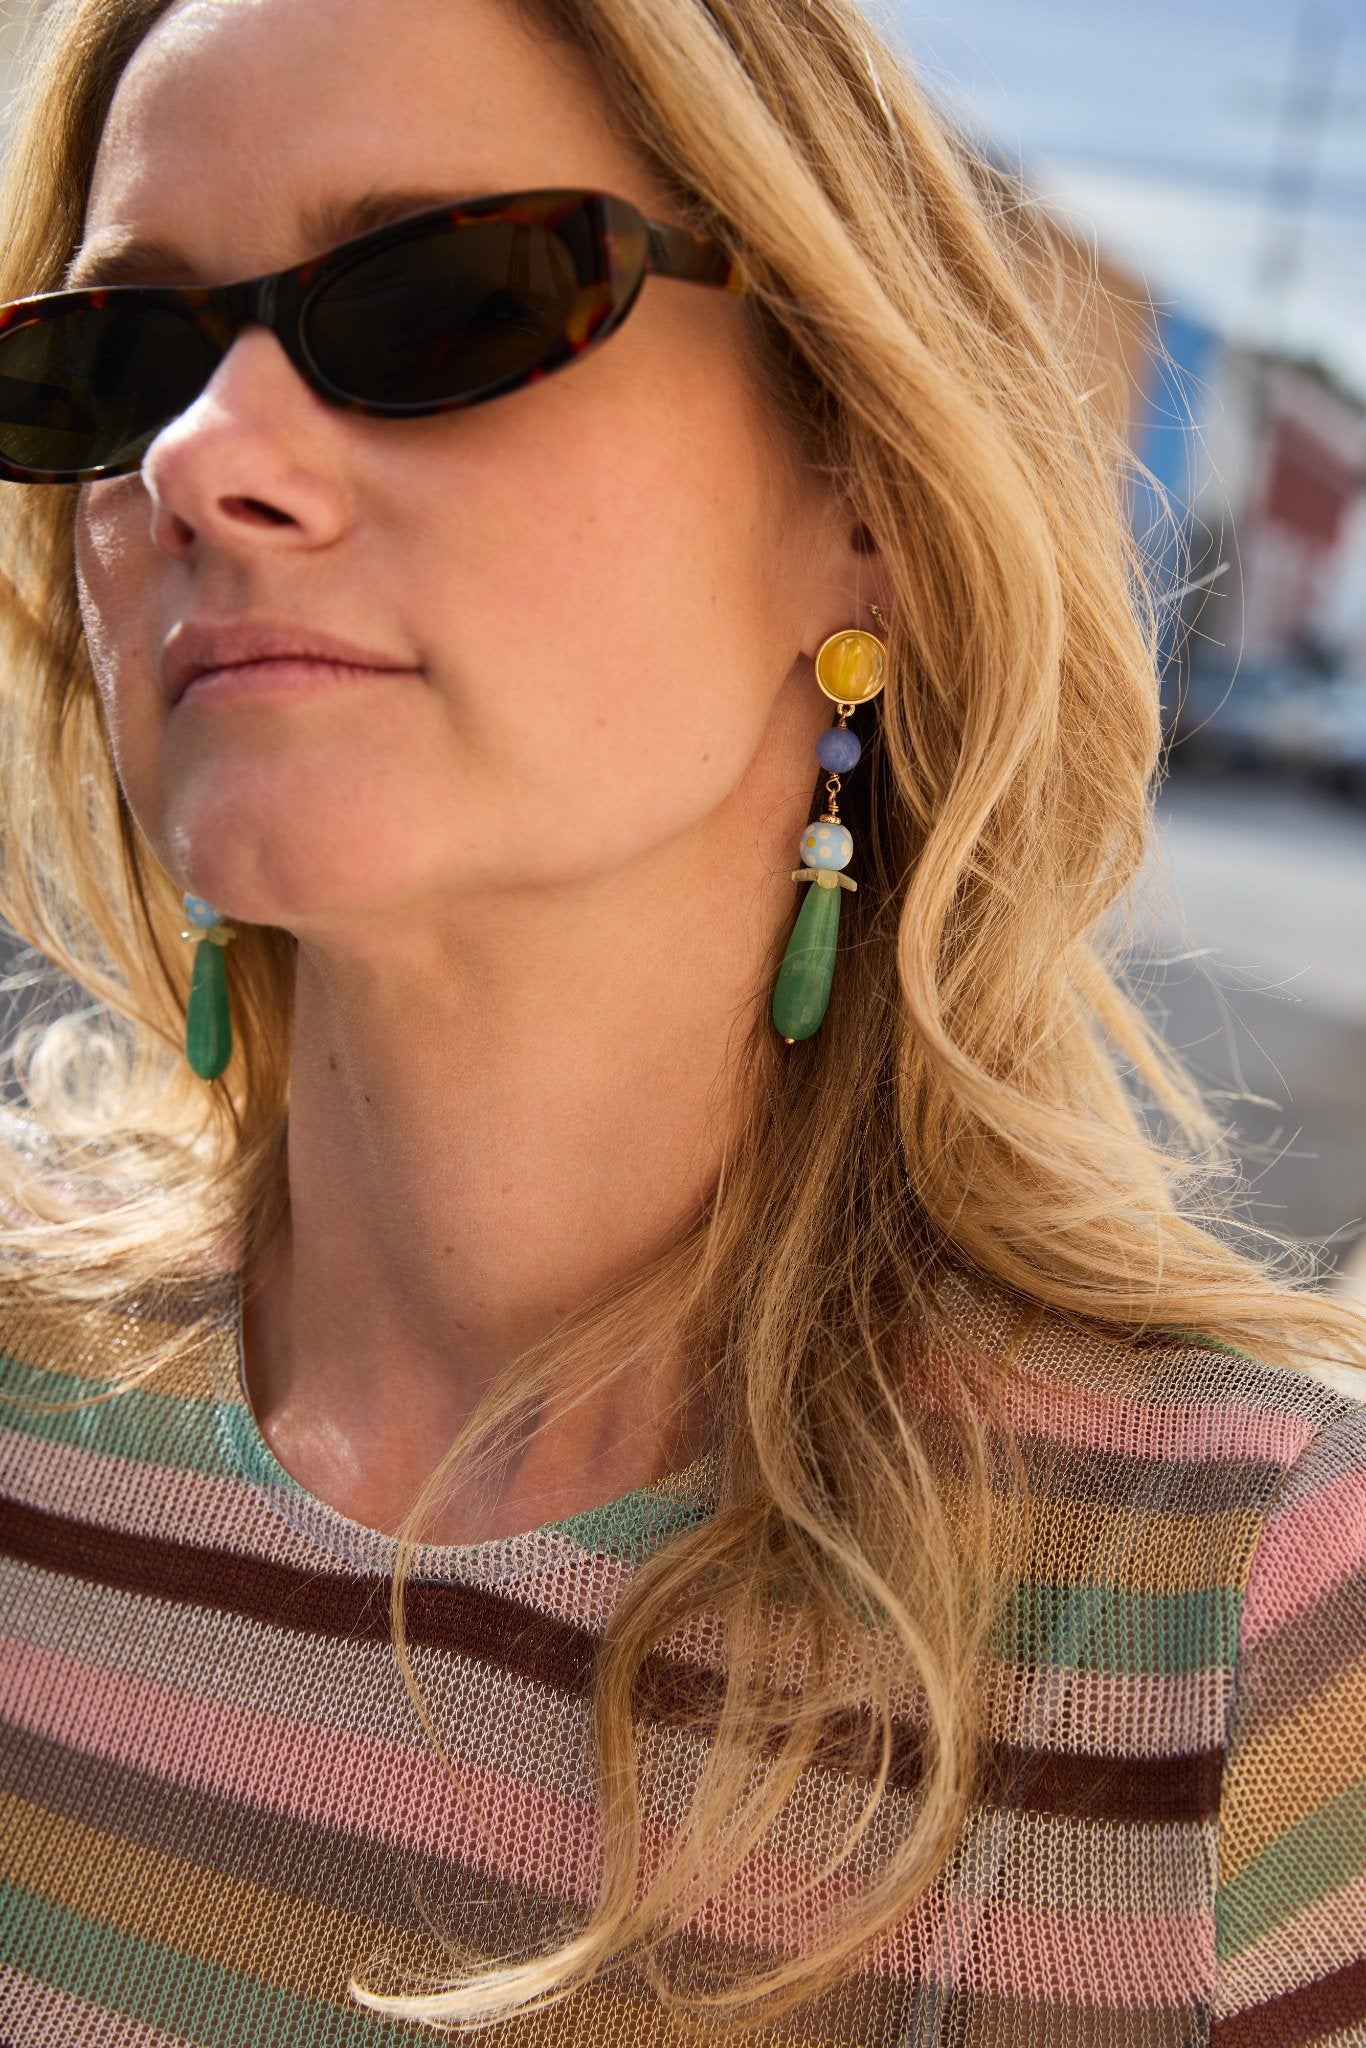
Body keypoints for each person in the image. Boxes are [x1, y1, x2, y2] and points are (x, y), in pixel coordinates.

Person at [0, 0, 1362, 2039]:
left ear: (862, 489)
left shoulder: (1247, 1632)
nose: (200, 456)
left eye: (446, 294)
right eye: (117, 359)